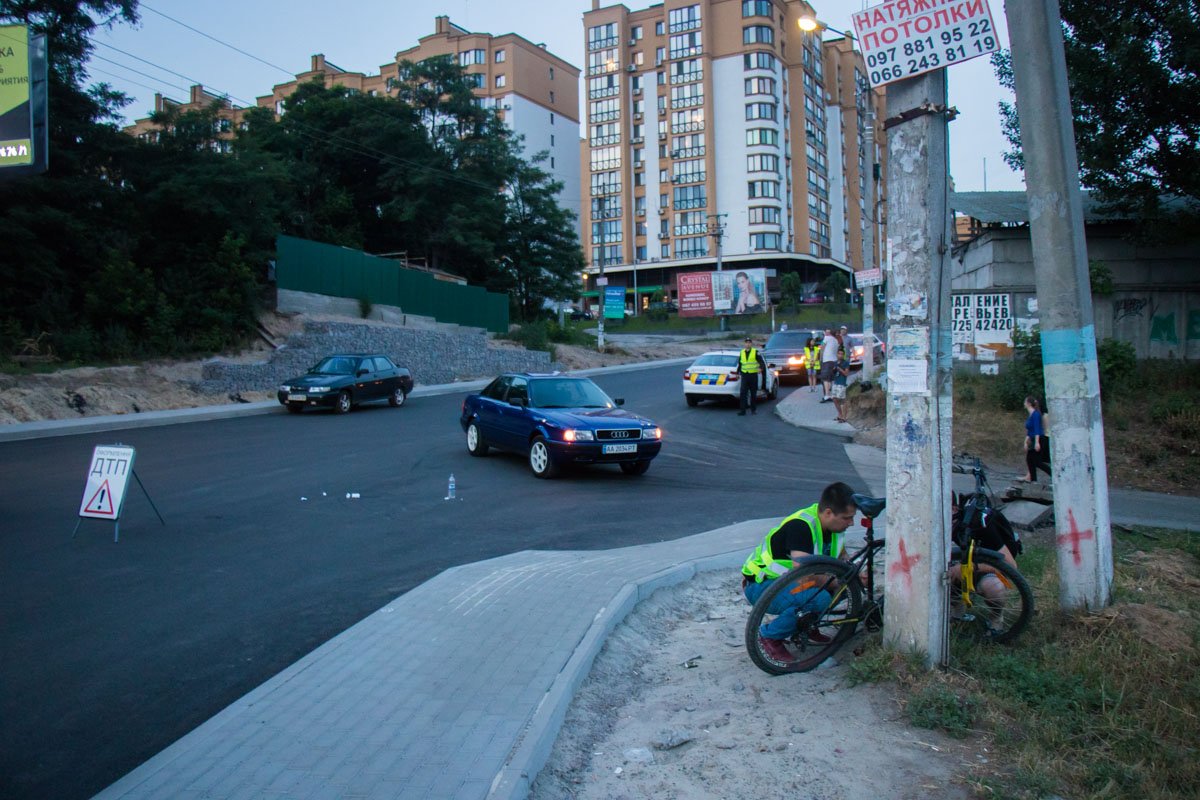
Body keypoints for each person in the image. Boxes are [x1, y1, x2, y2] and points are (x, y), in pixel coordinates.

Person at [741, 482, 860, 664]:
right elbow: (806, 576)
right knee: (820, 598)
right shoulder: (801, 527)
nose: (851, 523)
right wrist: (841, 581)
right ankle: (769, 636)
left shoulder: (834, 527)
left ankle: (806, 625)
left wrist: (856, 573)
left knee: (847, 586)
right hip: (762, 586)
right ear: (828, 513)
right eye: (847, 518)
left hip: (788, 584)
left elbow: (842, 558)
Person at [1021, 396, 1051, 482]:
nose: (1024, 404)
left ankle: (1052, 473)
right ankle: (1033, 479)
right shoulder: (1031, 415)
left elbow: (1037, 429)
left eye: (1025, 402)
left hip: (1038, 438)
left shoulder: (1036, 414)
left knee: (1037, 461)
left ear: (1029, 403)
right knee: (1029, 460)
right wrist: (1026, 441)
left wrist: (1037, 442)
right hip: (1032, 438)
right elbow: (1030, 430)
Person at [735, 336, 767, 415]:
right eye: (746, 343)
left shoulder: (755, 352)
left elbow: (761, 362)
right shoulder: (742, 352)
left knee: (753, 393)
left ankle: (753, 410)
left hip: (753, 375)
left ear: (751, 344)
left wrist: (761, 368)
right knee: (743, 393)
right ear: (744, 344)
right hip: (744, 375)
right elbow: (740, 364)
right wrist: (737, 373)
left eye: (749, 343)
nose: (748, 344)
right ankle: (742, 411)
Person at [831, 347, 851, 423]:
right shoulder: (835, 362)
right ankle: (840, 414)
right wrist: (833, 369)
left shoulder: (845, 363)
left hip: (842, 383)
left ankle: (844, 417)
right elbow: (833, 373)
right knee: (834, 398)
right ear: (837, 354)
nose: (840, 355)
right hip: (835, 382)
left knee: (841, 400)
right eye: (839, 354)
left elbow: (846, 374)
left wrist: (840, 369)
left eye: (842, 354)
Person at [818, 327, 838, 402]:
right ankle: (831, 395)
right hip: (834, 360)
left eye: (827, 332)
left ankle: (827, 395)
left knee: (825, 379)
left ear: (829, 333)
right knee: (831, 378)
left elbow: (822, 348)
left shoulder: (826, 338)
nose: (826, 333)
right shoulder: (836, 340)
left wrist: (820, 358)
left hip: (827, 360)